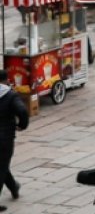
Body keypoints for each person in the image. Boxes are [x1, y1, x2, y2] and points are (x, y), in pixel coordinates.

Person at [0, 70, 27, 213]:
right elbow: (22, 111)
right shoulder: (10, 96)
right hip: (4, 139)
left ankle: (13, 187)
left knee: (2, 165)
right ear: (6, 80)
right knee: (2, 165)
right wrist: (22, 125)